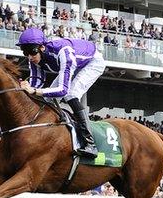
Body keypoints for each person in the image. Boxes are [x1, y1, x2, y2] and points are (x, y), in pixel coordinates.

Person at [16, 27, 106, 158]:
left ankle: (90, 143)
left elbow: (62, 90)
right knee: (47, 100)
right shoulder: (34, 59)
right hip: (76, 64)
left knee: (71, 94)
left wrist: (34, 90)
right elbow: (37, 84)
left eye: (32, 52)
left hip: (92, 62)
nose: (29, 57)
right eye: (25, 52)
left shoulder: (64, 53)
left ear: (41, 47)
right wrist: (26, 88)